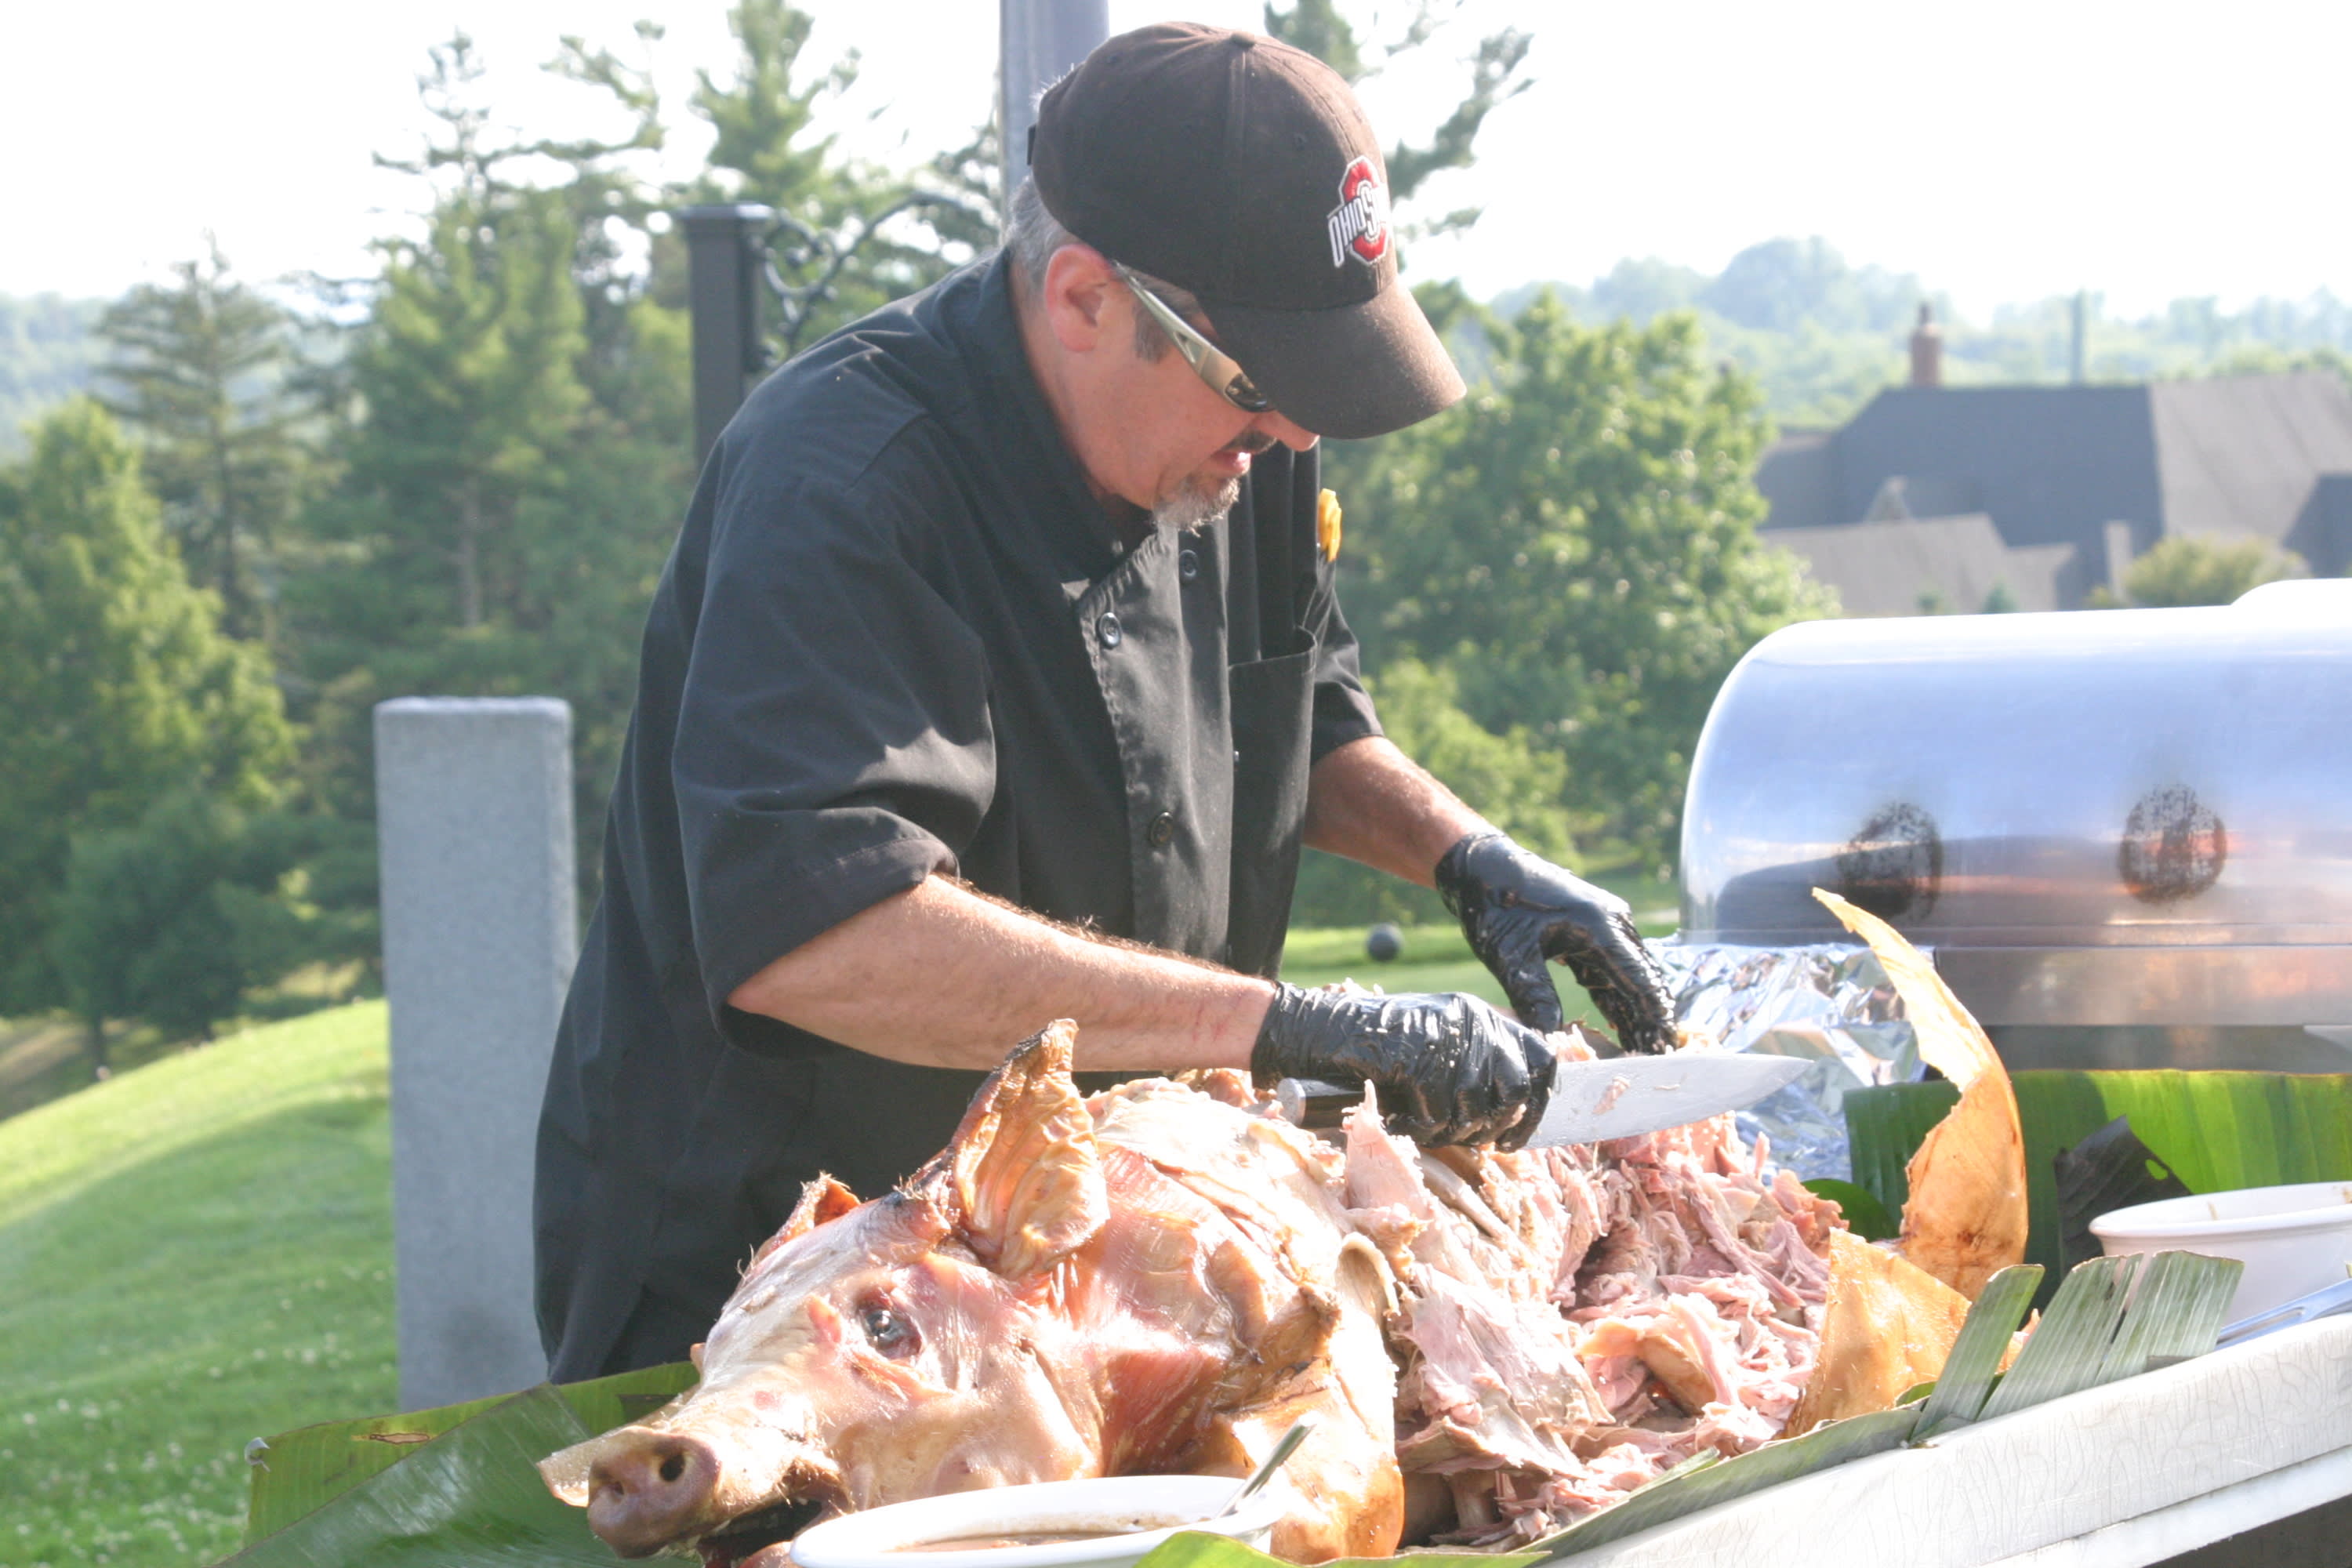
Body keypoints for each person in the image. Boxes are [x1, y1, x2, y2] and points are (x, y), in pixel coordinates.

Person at [534, 22, 1675, 1383]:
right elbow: (819, 931)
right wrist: (1283, 1024)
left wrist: (1469, 856)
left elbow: (1304, 717)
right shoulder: (845, 480)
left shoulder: (1236, 445)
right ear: (1084, 298)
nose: (1296, 433)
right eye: (1262, 382)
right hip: (789, 1284)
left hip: (1092, 1261)